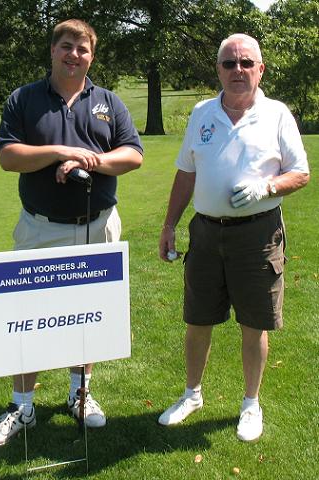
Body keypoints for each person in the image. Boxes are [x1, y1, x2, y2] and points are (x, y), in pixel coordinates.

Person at [0, 19, 143, 448]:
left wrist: (90, 161)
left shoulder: (108, 102)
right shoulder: (25, 99)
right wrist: (61, 151)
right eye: (67, 46)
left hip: (97, 225)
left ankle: (80, 394)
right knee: (28, 317)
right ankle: (22, 405)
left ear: (92, 55)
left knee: (88, 315)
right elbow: (8, 156)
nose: (75, 54)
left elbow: (132, 154)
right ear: (53, 50)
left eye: (83, 49)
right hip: (41, 228)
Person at [158, 33, 309, 442]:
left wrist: (267, 188)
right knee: (198, 318)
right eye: (229, 64)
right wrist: (170, 224)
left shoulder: (277, 114)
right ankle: (192, 394)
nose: (237, 70)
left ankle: (250, 403)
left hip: (257, 235)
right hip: (206, 233)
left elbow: (301, 172)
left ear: (260, 70)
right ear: (218, 71)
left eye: (246, 63)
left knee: (254, 323)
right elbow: (186, 172)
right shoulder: (202, 113)